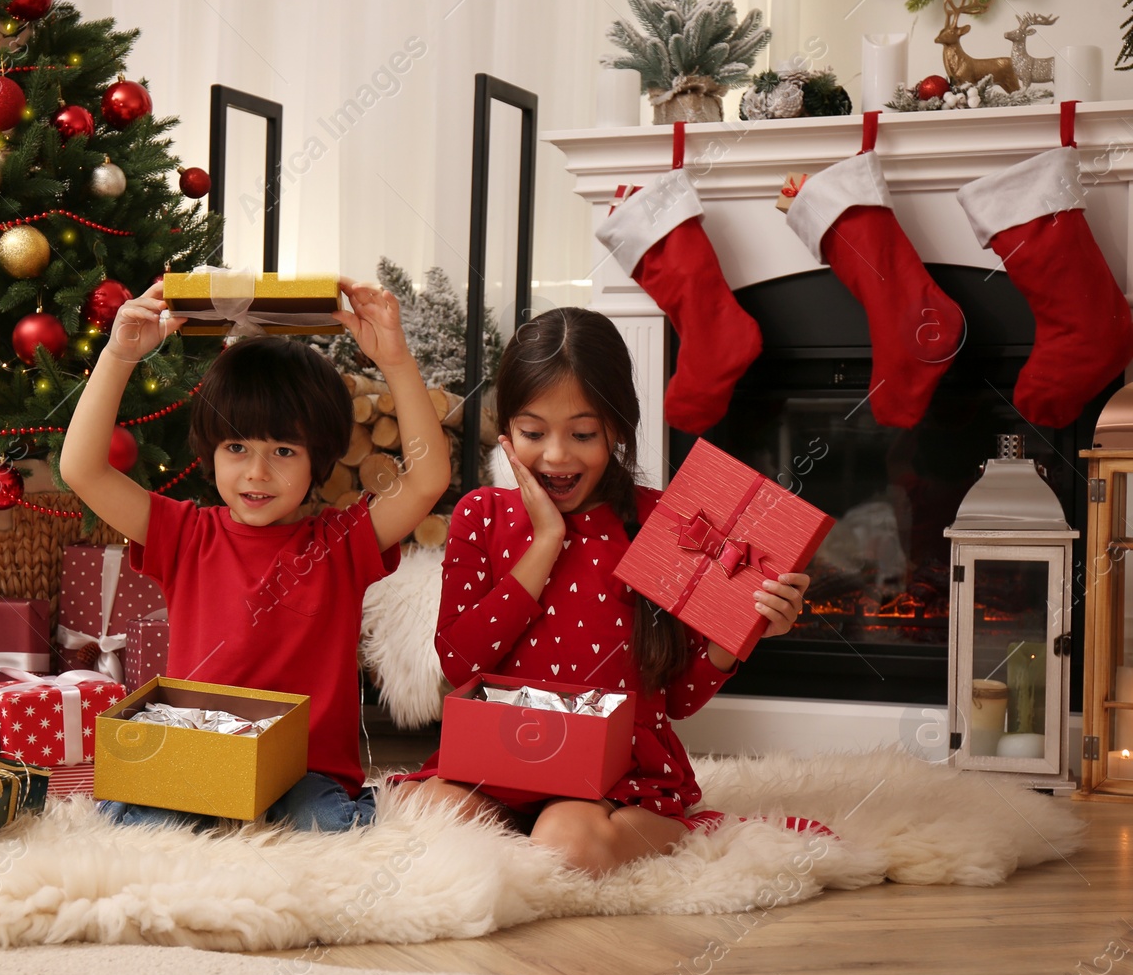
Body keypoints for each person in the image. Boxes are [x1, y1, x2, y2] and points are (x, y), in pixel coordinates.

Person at [396, 307, 822, 875]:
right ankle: (541, 831)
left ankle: (669, 830)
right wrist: (546, 539)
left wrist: (739, 633)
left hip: (616, 772)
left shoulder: (661, 522)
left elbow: (679, 700)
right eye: (532, 433)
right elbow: (459, 662)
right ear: (507, 434)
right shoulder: (481, 515)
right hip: (500, 758)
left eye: (583, 433)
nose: (556, 455)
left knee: (564, 846)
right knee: (420, 818)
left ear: (616, 429)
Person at [59, 278, 450, 831]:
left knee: (328, 832)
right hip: (198, 763)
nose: (256, 473)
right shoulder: (182, 533)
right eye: (236, 447)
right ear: (210, 450)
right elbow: (81, 469)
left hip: (306, 773)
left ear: (318, 460)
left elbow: (428, 478)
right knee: (141, 827)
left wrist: (396, 360)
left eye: (283, 451)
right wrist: (119, 354)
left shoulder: (341, 543)